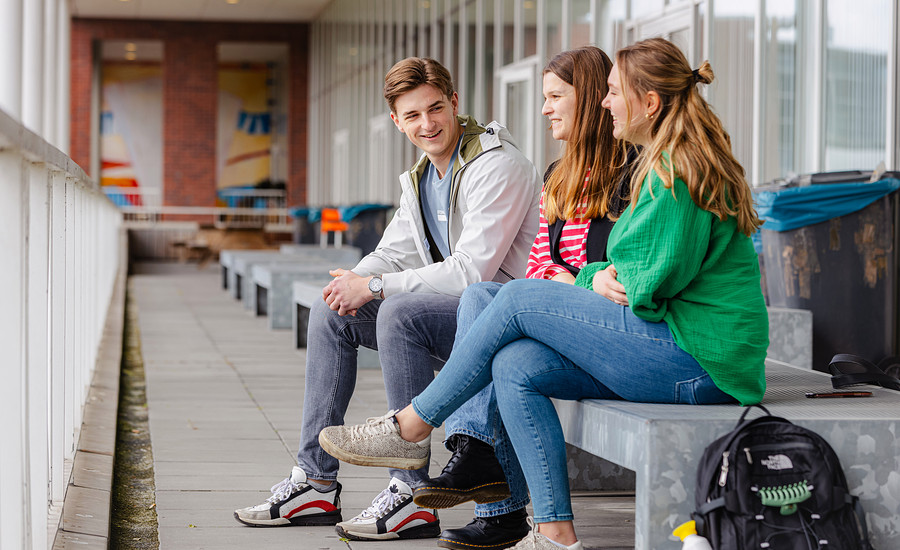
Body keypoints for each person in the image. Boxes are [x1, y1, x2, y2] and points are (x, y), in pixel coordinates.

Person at [317, 37, 769, 550]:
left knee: (506, 298)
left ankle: (413, 425)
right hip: (675, 345)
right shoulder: (661, 164)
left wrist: (582, 278)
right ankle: (554, 533)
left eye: (614, 92)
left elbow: (641, 287)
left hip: (701, 362)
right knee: (516, 363)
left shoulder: (676, 172)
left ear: (650, 103)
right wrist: (596, 275)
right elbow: (626, 271)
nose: (604, 101)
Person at [234, 57, 541, 546]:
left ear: (455, 103)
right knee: (330, 311)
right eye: (413, 116)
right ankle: (315, 482)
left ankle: (410, 491)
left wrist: (376, 289)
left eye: (436, 108)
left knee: (399, 312)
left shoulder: (496, 165)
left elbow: (471, 273)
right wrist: (354, 281)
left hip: (500, 319)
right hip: (457, 315)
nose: (428, 124)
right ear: (396, 121)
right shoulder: (421, 178)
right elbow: (391, 252)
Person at [407, 46, 632, 550]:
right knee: (498, 331)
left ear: (593, 98)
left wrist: (574, 280)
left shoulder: (630, 173)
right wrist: (578, 280)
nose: (546, 108)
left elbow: (614, 278)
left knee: (486, 296)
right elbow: (539, 267)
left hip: (612, 334)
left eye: (555, 96)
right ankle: (510, 505)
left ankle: (432, 432)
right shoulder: (558, 175)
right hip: (564, 322)